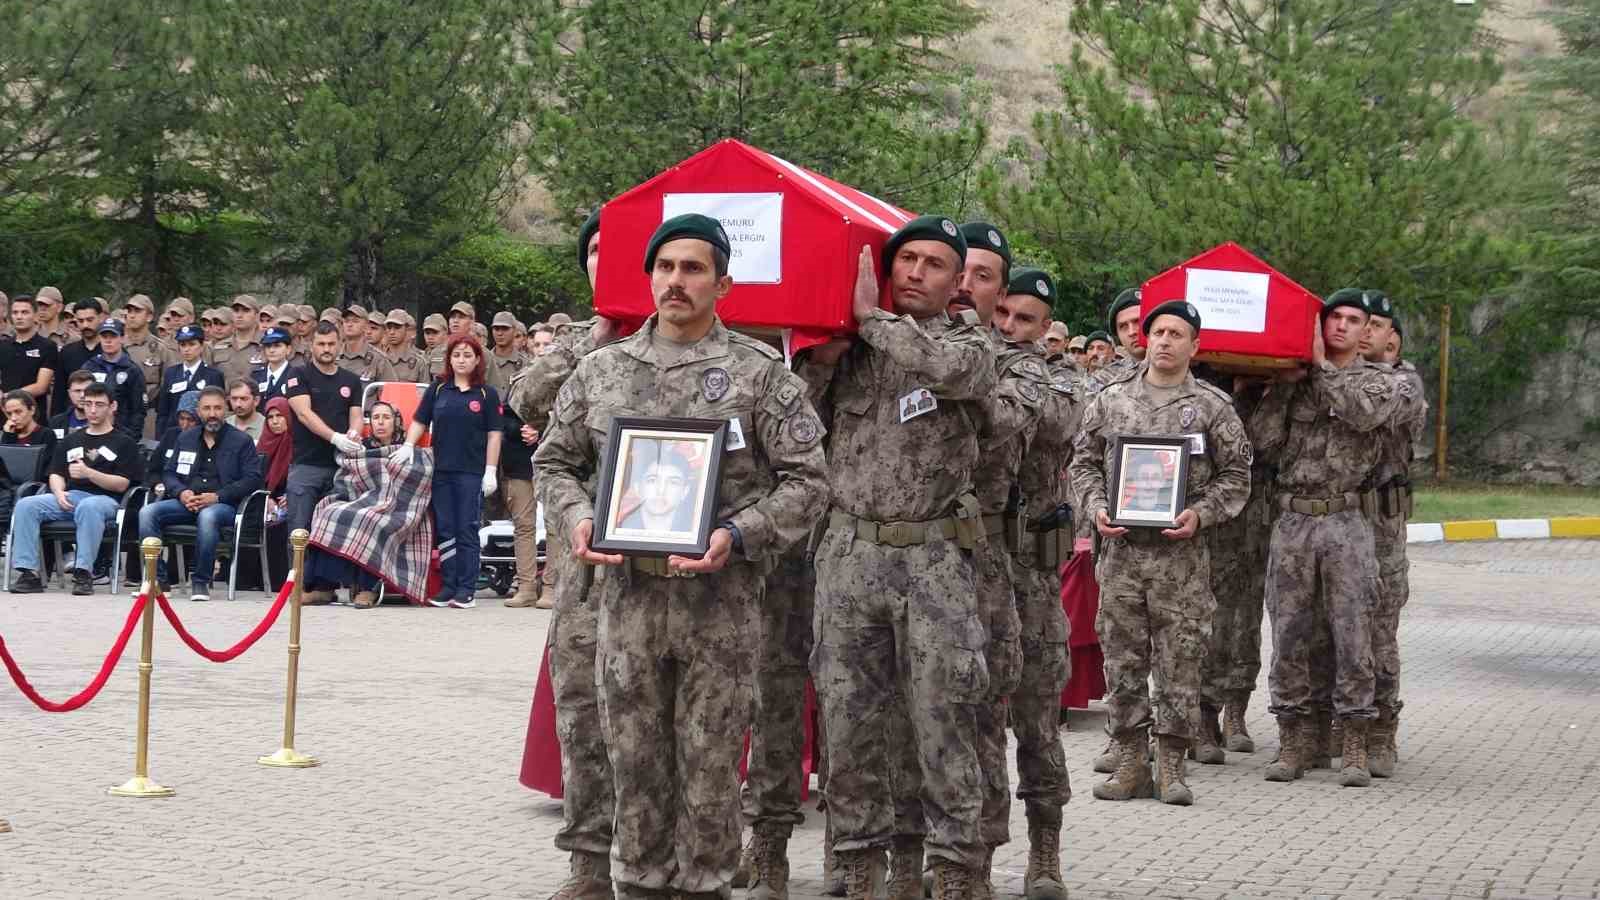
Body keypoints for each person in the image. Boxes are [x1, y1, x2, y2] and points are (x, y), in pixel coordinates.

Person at [536, 212, 828, 900]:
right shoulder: (602, 371)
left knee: (709, 765)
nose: (676, 281)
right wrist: (579, 518)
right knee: (633, 761)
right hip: (625, 601)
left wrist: (740, 532)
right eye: (665, 268)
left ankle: (706, 884)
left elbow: (811, 480)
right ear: (648, 279)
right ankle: (637, 883)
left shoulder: (760, 377)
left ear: (723, 282)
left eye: (693, 268)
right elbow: (554, 461)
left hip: (718, 606)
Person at [797, 214, 995, 899]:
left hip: (934, 558)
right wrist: (821, 359)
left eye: (934, 263)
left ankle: (956, 867)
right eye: (905, 259)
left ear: (957, 280)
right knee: (848, 717)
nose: (916, 272)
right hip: (850, 551)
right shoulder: (847, 351)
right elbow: (796, 426)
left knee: (943, 716)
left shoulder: (970, 344)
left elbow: (945, 370)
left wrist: (870, 317)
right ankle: (854, 858)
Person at [1069, 300, 1251, 806]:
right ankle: (1130, 762)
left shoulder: (1213, 407)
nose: (1166, 341)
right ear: (1146, 340)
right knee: (1123, 661)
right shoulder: (1110, 399)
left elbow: (1238, 476)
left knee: (1181, 660)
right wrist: (1096, 506)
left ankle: (1171, 763)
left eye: (1178, 334)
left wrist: (1202, 512)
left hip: (1182, 560)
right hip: (1123, 555)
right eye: (1159, 332)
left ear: (1195, 346)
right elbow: (1081, 463)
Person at [510, 207, 622, 897]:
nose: (600, 260)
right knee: (582, 709)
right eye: (592, 251)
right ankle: (587, 865)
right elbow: (524, 398)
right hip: (585, 556)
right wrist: (595, 340)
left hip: (674, 560)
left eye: (616, 250)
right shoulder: (585, 340)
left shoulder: (680, 334)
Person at [1248, 289, 1399, 788]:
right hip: (1293, 520)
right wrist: (1280, 387)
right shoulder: (1295, 385)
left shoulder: (1381, 383)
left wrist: (1321, 370)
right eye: (1333, 318)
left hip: (1346, 521)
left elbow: (1363, 415)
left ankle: (1355, 739)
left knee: (1352, 633)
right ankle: (1294, 738)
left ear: (1366, 331)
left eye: (1354, 320)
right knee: (1289, 631)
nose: (1341, 327)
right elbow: (1261, 445)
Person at [991, 267, 1079, 898]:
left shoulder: (1063, 381)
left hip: (1032, 577)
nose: (1009, 329)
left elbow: (1050, 422)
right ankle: (971, 856)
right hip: (969, 570)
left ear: (1047, 329)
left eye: (1025, 320)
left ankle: (1044, 848)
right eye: (1002, 315)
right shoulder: (965, 362)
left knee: (1038, 719)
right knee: (967, 724)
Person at [1359, 294, 1426, 778]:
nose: (1364, 330)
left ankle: (1381, 731)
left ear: (1393, 338)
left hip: (1381, 525)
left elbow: (1370, 412)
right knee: (1330, 629)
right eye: (1357, 322)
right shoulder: (1338, 376)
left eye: (1375, 323)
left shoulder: (1406, 382)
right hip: (1336, 521)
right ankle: (1334, 727)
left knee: (1379, 632)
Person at [392, 334, 500, 608]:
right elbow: (420, 420)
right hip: (441, 470)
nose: (461, 360)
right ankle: (448, 586)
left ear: (477, 360)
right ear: (449, 359)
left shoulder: (487, 394)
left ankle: (466, 588)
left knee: (467, 528)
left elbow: (494, 435)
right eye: (456, 355)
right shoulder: (438, 389)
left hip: (471, 472)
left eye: (467, 355)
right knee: (446, 529)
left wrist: (490, 470)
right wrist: (407, 444)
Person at [9, 382, 143, 595]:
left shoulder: (124, 442)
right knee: (26, 505)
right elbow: (55, 473)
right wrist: (59, 491)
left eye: (99, 404)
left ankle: (83, 572)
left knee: (89, 507)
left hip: (106, 500)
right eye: (88, 404)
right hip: (71, 496)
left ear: (112, 406)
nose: (92, 410)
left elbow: (123, 484)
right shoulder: (72, 439)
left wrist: (90, 473)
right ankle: (29, 573)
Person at [137, 386, 263, 601]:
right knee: (147, 512)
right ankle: (158, 579)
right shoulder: (185, 438)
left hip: (224, 506)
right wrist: (181, 492)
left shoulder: (241, 441)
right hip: (187, 501)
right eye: (206, 408)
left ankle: (201, 581)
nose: (212, 413)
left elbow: (252, 479)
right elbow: (169, 473)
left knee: (208, 515)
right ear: (198, 410)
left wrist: (217, 497)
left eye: (217, 408)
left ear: (227, 409)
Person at [282, 322, 364, 601]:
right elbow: (304, 414)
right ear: (311, 346)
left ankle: (324, 588)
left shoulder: (352, 380)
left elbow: (356, 415)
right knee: (300, 526)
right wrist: (335, 438)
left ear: (340, 344)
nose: (326, 349)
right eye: (321, 344)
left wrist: (353, 434)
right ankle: (296, 585)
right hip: (307, 464)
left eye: (331, 344)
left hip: (341, 466)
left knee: (334, 527)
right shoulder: (298, 374)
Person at [497, 374, 543, 610]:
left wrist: (541, 431)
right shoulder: (519, 381)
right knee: (524, 526)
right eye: (537, 344)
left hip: (555, 461)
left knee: (556, 527)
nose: (541, 349)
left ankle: (552, 587)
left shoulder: (570, 378)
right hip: (520, 464)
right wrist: (523, 429)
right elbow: (504, 419)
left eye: (547, 344)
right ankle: (526, 588)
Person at [154, 324, 223, 436]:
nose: (187, 349)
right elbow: (163, 411)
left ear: (201, 346)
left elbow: (218, 411)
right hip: (174, 432)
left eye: (192, 344)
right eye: (182, 345)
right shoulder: (171, 373)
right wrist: (160, 437)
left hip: (202, 434)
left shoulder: (213, 375)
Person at [121, 294, 174, 437]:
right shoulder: (117, 346)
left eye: (137, 311)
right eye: (129, 311)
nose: (131, 315)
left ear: (149, 317)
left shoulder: (160, 349)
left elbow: (167, 387)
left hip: (149, 414)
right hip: (118, 413)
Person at [83, 319, 146, 436]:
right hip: (91, 430)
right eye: (104, 336)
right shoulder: (89, 366)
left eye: (113, 336)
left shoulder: (132, 370)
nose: (108, 341)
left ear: (122, 338)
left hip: (121, 433)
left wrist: (132, 438)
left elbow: (138, 411)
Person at [257, 396, 295, 588]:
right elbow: (255, 477)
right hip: (266, 499)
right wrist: (266, 499)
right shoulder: (263, 443)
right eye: (270, 417)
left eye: (280, 415)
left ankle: (280, 581)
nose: (275, 421)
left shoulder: (297, 443)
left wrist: (291, 496)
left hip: (291, 497)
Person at [1, 295, 59, 414]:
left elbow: (41, 386)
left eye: (24, 312)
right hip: (4, 415)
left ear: (35, 315)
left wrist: (9, 396)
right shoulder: (3, 346)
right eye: (15, 313)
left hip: (33, 415)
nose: (19, 317)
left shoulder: (47, 346)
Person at [52, 299, 106, 417]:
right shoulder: (67, 352)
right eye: (81, 321)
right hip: (72, 420)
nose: (85, 325)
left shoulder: (112, 352)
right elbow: (59, 394)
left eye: (90, 320)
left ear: (101, 317)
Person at [210, 295, 265, 386]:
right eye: (236, 310)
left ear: (257, 315)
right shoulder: (219, 347)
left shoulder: (267, 344)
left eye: (246, 310)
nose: (239, 315)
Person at [338, 304, 397, 384]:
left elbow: (391, 392)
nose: (350, 325)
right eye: (346, 321)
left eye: (355, 321)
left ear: (366, 326)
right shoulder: (334, 355)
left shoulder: (379, 359)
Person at [251, 326, 296, 409]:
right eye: (268, 346)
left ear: (288, 349)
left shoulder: (295, 375)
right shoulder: (256, 376)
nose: (271, 350)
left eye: (277, 346)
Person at [384, 310, 431, 383]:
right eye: (389, 328)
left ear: (406, 329)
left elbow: (424, 392)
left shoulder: (419, 362)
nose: (392, 332)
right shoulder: (379, 359)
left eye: (397, 327)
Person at [486, 310, 527, 393]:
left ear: (515, 331)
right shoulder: (484, 360)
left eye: (505, 329)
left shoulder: (524, 364)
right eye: (496, 329)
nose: (500, 333)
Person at [48, 370, 95, 436]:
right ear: (69, 393)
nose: (82, 395)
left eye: (86, 391)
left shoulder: (105, 421)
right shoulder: (55, 422)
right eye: (77, 391)